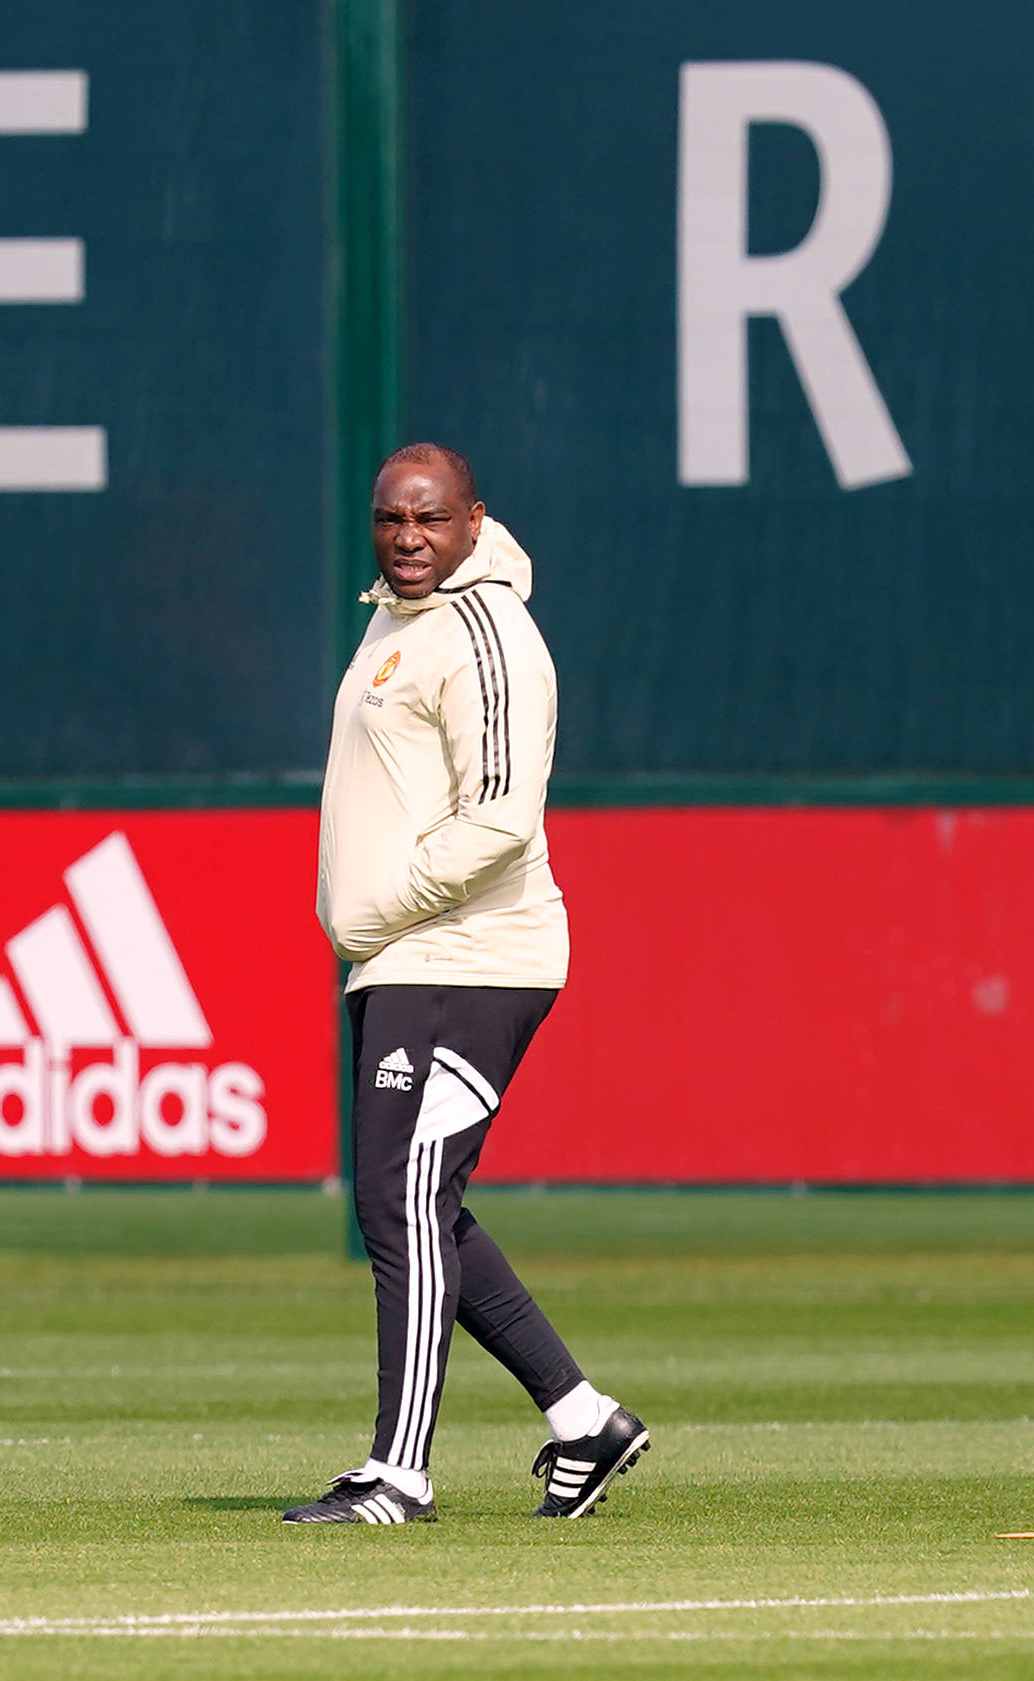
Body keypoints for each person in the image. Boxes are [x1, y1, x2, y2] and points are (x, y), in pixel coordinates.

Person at [283, 443, 646, 1525]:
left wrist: (375, 910)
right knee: (415, 1204)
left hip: (467, 958)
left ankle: (398, 1474)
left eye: (428, 520)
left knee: (398, 1203)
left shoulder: (490, 634)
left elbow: (499, 815)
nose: (406, 538)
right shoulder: (395, 620)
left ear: (472, 519)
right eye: (389, 518)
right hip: (405, 957)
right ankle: (583, 1420)